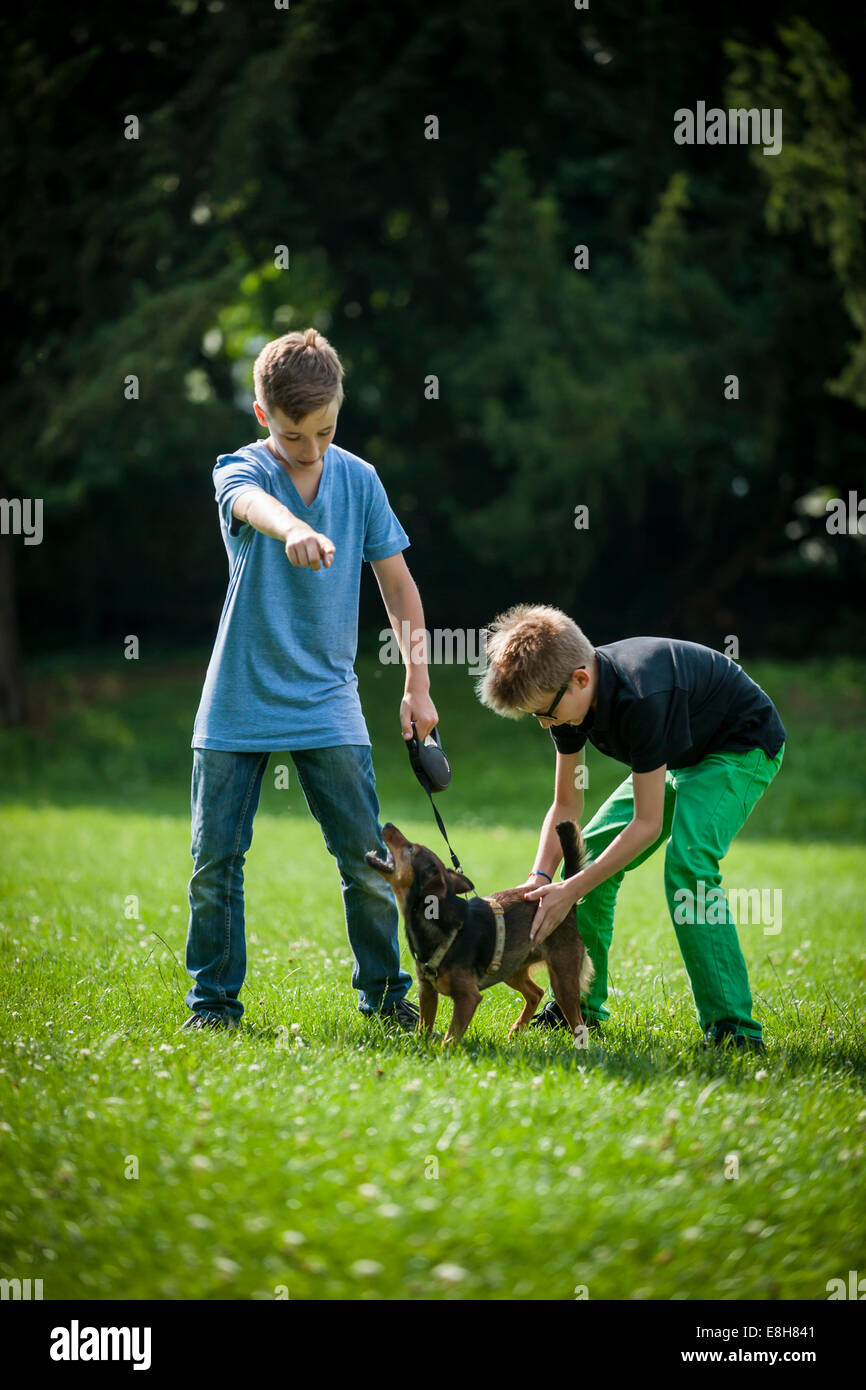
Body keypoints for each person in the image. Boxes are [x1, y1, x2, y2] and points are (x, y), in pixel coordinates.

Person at [181, 327, 437, 1032]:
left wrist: (417, 684)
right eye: (297, 437)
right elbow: (248, 505)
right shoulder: (240, 469)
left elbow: (399, 587)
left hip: (328, 703)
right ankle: (213, 1006)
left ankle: (386, 998)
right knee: (215, 865)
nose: (313, 450)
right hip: (236, 700)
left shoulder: (358, 479)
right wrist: (290, 525)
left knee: (367, 862)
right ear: (265, 417)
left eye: (327, 431)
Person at [477, 604, 786, 1052]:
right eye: (537, 717)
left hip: (738, 747)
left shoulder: (641, 697)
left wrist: (572, 889)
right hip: (680, 753)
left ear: (581, 679)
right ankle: (579, 1010)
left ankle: (734, 1029)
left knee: (689, 867)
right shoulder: (567, 699)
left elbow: (646, 824)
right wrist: (540, 879)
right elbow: (566, 803)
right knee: (588, 861)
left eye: (546, 713)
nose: (546, 724)